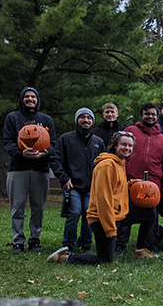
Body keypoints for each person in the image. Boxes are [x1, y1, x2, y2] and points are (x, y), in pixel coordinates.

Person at [48, 132, 157, 264]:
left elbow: (117, 186)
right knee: (105, 260)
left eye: (130, 145)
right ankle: (64, 257)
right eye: (123, 144)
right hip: (102, 218)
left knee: (150, 213)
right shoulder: (107, 165)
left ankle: (140, 250)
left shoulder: (120, 163)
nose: (127, 148)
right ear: (115, 146)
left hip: (118, 214)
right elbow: (103, 200)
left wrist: (132, 184)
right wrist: (110, 229)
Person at [118, 103, 163, 252]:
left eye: (153, 114)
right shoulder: (130, 131)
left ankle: (148, 244)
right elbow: (121, 149)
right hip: (130, 180)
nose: (150, 116)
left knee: (152, 214)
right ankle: (120, 245)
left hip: (152, 183)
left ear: (157, 117)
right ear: (141, 116)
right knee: (125, 211)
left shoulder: (162, 138)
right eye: (147, 114)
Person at [3, 87, 57, 254]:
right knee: (17, 206)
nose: (30, 99)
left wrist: (45, 153)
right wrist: (21, 153)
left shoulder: (46, 120)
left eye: (33, 96)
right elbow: (8, 142)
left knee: (38, 207)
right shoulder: (13, 118)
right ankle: (18, 240)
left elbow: (53, 143)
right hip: (18, 169)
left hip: (40, 169)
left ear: (37, 99)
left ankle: (35, 239)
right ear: (22, 99)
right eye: (26, 96)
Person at [51, 108, 106, 252]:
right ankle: (68, 244)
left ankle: (86, 243)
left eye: (89, 118)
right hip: (72, 185)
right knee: (75, 212)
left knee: (89, 214)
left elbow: (104, 164)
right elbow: (55, 159)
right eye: (82, 117)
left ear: (92, 121)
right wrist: (63, 178)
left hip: (91, 187)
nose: (86, 120)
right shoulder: (66, 139)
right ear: (77, 120)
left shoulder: (98, 142)